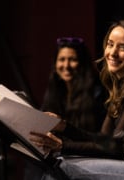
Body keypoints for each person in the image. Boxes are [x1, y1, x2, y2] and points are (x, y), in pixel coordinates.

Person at [29, 19, 124, 180]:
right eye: (110, 44)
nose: (112, 53)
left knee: (62, 167)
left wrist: (62, 145)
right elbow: (103, 139)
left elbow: (114, 147)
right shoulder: (120, 87)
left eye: (123, 48)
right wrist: (65, 126)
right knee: (58, 162)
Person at [23, 37, 107, 180]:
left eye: (72, 59)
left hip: (84, 154)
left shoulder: (98, 93)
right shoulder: (54, 92)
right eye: (61, 59)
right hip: (60, 153)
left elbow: (98, 139)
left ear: (82, 63)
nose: (66, 65)